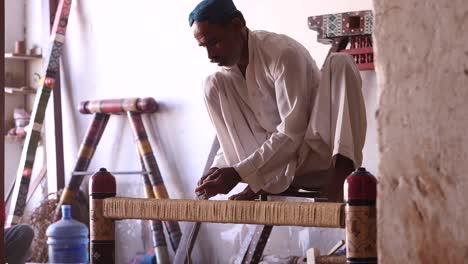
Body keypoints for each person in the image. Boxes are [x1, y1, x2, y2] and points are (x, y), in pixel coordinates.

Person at [191, 0, 366, 201]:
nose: (210, 55)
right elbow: (231, 135)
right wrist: (218, 168)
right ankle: (261, 182)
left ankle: (342, 170)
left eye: (214, 42)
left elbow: (292, 133)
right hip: (271, 170)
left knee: (341, 62)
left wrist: (239, 173)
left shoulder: (282, 54)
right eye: (204, 46)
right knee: (212, 84)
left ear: (236, 25)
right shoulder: (225, 77)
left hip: (315, 157)